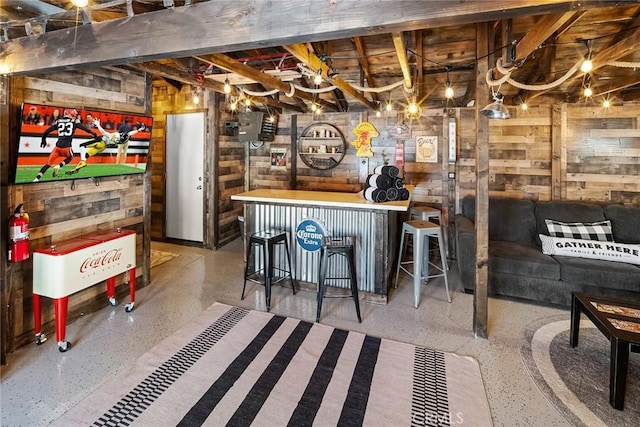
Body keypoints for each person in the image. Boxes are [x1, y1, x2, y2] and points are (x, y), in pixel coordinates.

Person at [32, 108, 98, 182]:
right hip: (66, 148)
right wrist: (94, 133)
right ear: (71, 114)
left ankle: (36, 179)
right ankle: (58, 166)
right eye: (74, 114)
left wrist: (43, 140)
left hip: (57, 148)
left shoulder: (59, 121)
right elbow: (85, 129)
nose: (75, 115)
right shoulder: (74, 122)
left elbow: (47, 131)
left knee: (47, 164)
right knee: (70, 157)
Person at [66, 118, 145, 174]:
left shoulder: (116, 137)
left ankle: (82, 162)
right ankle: (80, 164)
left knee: (82, 145)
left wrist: (98, 125)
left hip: (101, 142)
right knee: (86, 154)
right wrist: (139, 130)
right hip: (103, 147)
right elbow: (131, 133)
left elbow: (104, 133)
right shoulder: (124, 138)